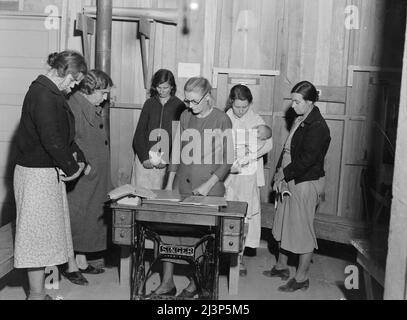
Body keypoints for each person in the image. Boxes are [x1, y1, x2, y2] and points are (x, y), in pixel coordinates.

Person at [148, 77, 233, 299]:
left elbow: (227, 159)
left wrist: (208, 185)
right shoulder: (185, 116)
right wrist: (168, 183)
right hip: (182, 184)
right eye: (187, 101)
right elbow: (177, 150)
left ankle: (196, 283)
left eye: (194, 101)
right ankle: (167, 283)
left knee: (202, 240)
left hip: (209, 187)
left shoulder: (222, 119)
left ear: (207, 98)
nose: (189, 106)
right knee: (168, 233)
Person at [13, 51, 88, 300]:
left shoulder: (49, 92)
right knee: (37, 241)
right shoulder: (44, 94)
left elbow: (62, 135)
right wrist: (71, 168)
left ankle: (39, 293)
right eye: (74, 80)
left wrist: (78, 158)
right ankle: (35, 296)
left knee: (43, 239)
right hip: (36, 177)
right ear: (63, 72)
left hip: (43, 175)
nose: (74, 85)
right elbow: (53, 140)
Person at [264, 81, 331, 292]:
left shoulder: (318, 126)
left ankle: (301, 277)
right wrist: (277, 173)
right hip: (290, 179)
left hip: (305, 182)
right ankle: (281, 266)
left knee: (302, 231)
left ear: (310, 102)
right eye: (292, 100)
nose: (292, 106)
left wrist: (283, 173)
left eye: (297, 101)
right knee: (284, 223)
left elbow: (306, 160)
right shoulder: (301, 118)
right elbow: (287, 150)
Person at [63, 70, 114, 284]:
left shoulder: (90, 105)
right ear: (89, 89)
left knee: (89, 217)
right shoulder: (73, 107)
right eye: (103, 93)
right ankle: (69, 264)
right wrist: (82, 167)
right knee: (76, 217)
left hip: (95, 176)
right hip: (82, 176)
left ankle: (82, 260)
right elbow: (67, 142)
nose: (105, 98)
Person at [224, 85, 273, 275]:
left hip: (247, 175)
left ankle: (239, 258)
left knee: (244, 215)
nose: (241, 111)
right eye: (237, 107)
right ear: (231, 102)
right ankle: (224, 255)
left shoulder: (256, 119)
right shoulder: (224, 117)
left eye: (244, 107)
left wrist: (249, 156)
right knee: (226, 211)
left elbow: (268, 143)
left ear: (250, 104)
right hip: (228, 174)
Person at [132, 69, 186, 189]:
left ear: (172, 87)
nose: (161, 91)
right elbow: (139, 133)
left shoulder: (179, 106)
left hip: (165, 159)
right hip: (144, 157)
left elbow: (178, 138)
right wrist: (144, 157)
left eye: (165, 88)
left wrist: (167, 158)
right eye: (159, 87)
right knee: (139, 193)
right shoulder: (149, 104)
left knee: (158, 194)